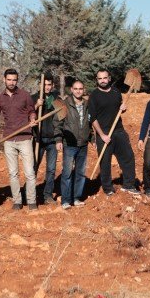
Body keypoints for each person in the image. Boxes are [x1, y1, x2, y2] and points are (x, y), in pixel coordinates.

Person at [88, 69, 138, 196]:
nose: (103, 80)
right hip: (103, 133)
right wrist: (102, 135)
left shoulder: (116, 92)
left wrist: (123, 108)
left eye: (105, 78)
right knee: (105, 162)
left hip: (119, 130)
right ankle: (108, 188)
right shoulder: (94, 96)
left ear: (109, 78)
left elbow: (119, 108)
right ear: (97, 80)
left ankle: (129, 185)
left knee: (128, 157)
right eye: (100, 78)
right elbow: (92, 118)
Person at [0, 69, 37, 210]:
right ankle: (17, 201)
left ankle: (31, 201)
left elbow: (32, 111)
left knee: (29, 172)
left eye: (14, 80)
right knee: (13, 173)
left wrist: (33, 119)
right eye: (9, 79)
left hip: (25, 138)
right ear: (4, 79)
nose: (12, 82)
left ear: (17, 80)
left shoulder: (25, 95)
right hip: (9, 139)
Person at [54, 80, 91, 209]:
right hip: (69, 144)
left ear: (84, 89)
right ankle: (65, 200)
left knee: (80, 172)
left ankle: (76, 198)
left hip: (83, 144)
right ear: (71, 89)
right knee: (67, 172)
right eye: (76, 88)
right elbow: (57, 124)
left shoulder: (87, 104)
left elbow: (90, 124)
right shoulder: (64, 104)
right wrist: (58, 140)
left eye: (80, 88)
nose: (78, 91)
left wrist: (93, 139)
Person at [31, 73, 60, 204]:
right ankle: (30, 193)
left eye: (49, 85)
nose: (47, 87)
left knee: (51, 169)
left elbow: (61, 117)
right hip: (38, 138)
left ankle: (47, 195)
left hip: (52, 139)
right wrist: (37, 105)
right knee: (33, 167)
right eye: (44, 85)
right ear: (40, 85)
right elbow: (28, 114)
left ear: (53, 85)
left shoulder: (56, 99)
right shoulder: (33, 98)